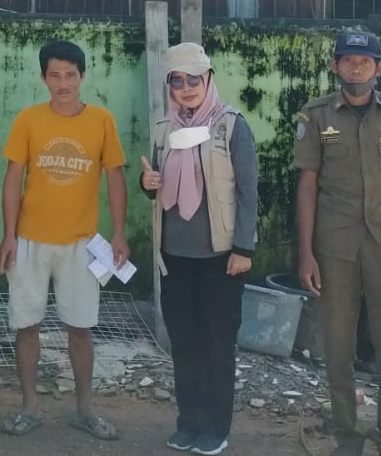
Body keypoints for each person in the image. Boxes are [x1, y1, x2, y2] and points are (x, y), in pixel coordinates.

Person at [294, 31, 381, 456]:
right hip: (335, 244)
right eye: (348, 59)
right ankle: (347, 439)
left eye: (364, 60)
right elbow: (308, 186)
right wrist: (306, 253)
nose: (356, 66)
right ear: (335, 66)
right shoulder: (316, 116)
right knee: (338, 345)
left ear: (379, 69)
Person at [0, 39, 127, 441]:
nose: (64, 83)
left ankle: (85, 409)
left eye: (71, 75)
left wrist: (119, 233)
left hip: (81, 244)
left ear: (83, 77)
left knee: (82, 329)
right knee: (26, 326)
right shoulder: (29, 120)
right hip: (30, 242)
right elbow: (13, 179)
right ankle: (29, 407)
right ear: (43, 78)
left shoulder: (102, 121)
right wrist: (9, 235)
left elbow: (116, 179)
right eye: (55, 75)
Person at [140, 43, 259, 456]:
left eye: (194, 79)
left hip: (221, 258)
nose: (187, 87)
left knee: (217, 343)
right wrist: (147, 185)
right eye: (178, 80)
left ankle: (215, 427)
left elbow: (248, 192)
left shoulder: (231, 126)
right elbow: (155, 184)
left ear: (208, 79)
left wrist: (243, 248)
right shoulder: (164, 128)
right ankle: (189, 423)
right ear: (169, 85)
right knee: (185, 342)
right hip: (175, 257)